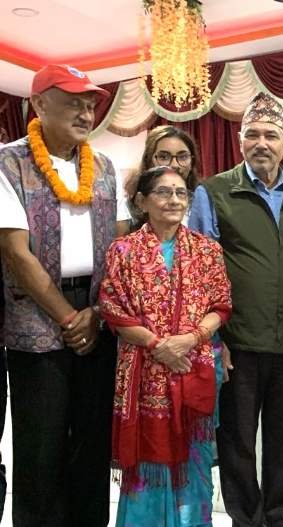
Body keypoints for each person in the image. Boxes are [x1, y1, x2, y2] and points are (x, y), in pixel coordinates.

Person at [0, 64, 131, 527]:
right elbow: (15, 253)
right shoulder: (8, 163)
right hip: (36, 317)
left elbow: (121, 244)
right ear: (39, 103)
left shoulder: (105, 166)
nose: (85, 113)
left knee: (92, 441)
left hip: (97, 314)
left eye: (90, 104)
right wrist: (69, 317)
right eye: (73, 102)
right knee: (42, 445)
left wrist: (95, 311)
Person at [189, 92, 283, 527]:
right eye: (253, 135)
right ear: (240, 140)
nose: (262, 143)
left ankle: (277, 517)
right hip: (237, 344)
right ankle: (245, 520)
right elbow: (200, 271)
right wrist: (215, 340)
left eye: (271, 135)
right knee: (237, 441)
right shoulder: (214, 192)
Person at [99, 165, 232, 526]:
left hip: (195, 366)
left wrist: (190, 339)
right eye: (163, 192)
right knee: (148, 465)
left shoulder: (207, 250)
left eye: (180, 192)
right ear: (142, 201)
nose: (174, 200)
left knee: (194, 461)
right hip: (144, 373)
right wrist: (159, 345)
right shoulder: (123, 250)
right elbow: (113, 308)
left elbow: (221, 306)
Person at [119, 125, 202, 234]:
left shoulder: (204, 201)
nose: (174, 165)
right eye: (164, 157)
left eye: (182, 157)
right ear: (148, 160)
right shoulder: (129, 207)